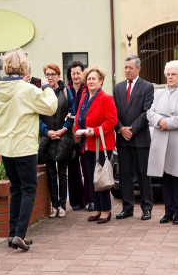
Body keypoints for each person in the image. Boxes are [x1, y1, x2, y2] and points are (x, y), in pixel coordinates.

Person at [0, 48, 57, 251]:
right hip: (24, 147)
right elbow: (50, 106)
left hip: (6, 148)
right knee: (29, 189)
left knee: (16, 189)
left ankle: (12, 234)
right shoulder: (27, 90)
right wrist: (46, 87)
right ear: (24, 67)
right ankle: (20, 235)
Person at [146, 60, 178, 225]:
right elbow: (150, 112)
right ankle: (168, 212)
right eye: (169, 74)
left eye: (174, 74)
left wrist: (168, 123)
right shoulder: (158, 93)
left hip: (176, 140)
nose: (171, 77)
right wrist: (159, 121)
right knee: (164, 177)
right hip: (161, 140)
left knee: (177, 178)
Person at [113, 55, 154, 221]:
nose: (127, 71)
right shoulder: (117, 88)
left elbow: (147, 112)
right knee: (124, 175)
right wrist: (121, 129)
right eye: (125, 68)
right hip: (122, 139)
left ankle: (147, 208)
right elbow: (113, 112)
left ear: (138, 68)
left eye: (130, 67)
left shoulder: (147, 87)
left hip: (140, 138)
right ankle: (127, 207)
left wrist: (132, 130)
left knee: (144, 174)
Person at [74, 65, 117, 224]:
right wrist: (78, 129)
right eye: (89, 79)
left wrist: (95, 130)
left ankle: (106, 210)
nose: (91, 81)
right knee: (91, 178)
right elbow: (80, 118)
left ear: (101, 81)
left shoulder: (106, 98)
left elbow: (111, 120)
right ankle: (97, 208)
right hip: (86, 144)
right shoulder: (85, 98)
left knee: (101, 178)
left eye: (94, 79)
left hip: (101, 144)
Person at [39, 64, 75, 219]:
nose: (50, 77)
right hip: (48, 139)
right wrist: (47, 131)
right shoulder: (40, 93)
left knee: (62, 174)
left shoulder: (66, 91)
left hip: (62, 138)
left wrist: (64, 129)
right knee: (51, 175)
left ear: (59, 76)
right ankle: (54, 206)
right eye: (47, 74)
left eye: (53, 74)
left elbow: (72, 112)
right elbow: (37, 116)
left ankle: (62, 206)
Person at [66, 61, 94, 211]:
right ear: (70, 75)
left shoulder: (88, 87)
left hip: (85, 133)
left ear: (83, 73)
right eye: (73, 73)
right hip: (70, 133)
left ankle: (91, 199)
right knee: (72, 167)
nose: (76, 76)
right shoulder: (66, 89)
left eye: (78, 73)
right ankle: (77, 200)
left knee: (87, 166)